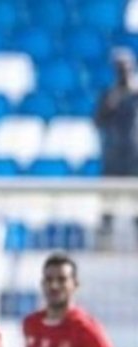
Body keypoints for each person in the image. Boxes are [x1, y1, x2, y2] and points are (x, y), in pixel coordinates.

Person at [93, 48, 138, 245]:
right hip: (113, 155)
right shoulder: (109, 94)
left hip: (135, 156)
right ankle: (105, 241)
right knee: (108, 203)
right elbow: (98, 120)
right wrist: (115, 97)